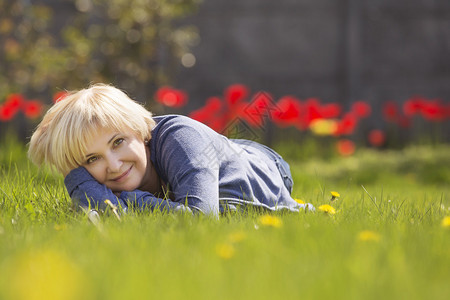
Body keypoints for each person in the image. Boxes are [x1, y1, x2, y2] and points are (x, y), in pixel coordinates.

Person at [28, 84, 313, 217]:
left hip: (259, 163)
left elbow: (202, 220)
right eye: (92, 158)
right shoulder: (98, 172)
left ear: (140, 131)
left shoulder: (181, 139)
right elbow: (101, 211)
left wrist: (130, 200)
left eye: (118, 142)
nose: (113, 165)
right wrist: (78, 179)